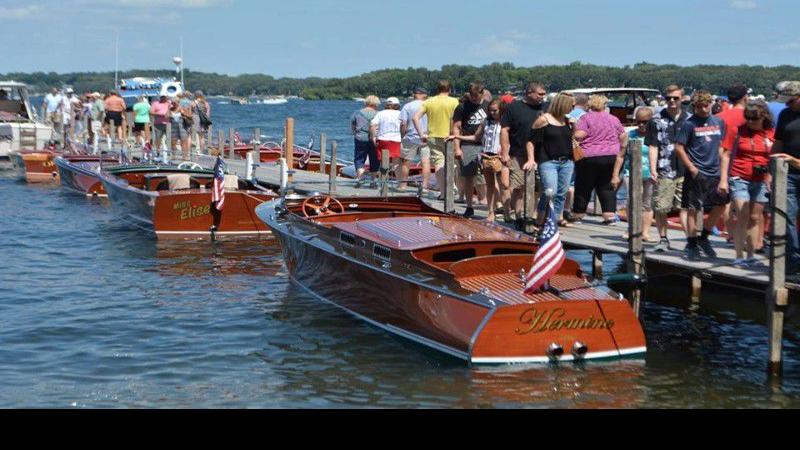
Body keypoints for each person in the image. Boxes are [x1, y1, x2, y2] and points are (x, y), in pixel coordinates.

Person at [674, 90, 729, 261]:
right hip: (697, 172)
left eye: (706, 105)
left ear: (711, 103)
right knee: (693, 209)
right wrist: (691, 168)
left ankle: (704, 236)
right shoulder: (689, 124)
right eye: (699, 106)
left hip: (715, 171)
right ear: (694, 107)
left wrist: (724, 175)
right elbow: (679, 148)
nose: (704, 109)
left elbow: (722, 148)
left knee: (721, 204)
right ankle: (691, 243)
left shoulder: (719, 122)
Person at [723, 101, 774, 267]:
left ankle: (751, 255)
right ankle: (739, 255)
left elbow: (776, 154)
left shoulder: (771, 132)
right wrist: (724, 179)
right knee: (743, 215)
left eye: (755, 118)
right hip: (739, 177)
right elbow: (726, 154)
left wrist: (771, 175)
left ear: (763, 117)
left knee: (755, 217)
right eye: (748, 118)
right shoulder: (738, 131)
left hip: (761, 179)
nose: (751, 122)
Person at [646, 84, 692, 252]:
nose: (672, 101)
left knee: (686, 207)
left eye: (676, 98)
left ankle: (690, 241)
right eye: (668, 98)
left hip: (685, 169)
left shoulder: (690, 120)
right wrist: (652, 168)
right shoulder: (656, 120)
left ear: (682, 99)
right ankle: (663, 239)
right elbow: (653, 146)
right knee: (661, 206)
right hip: (664, 169)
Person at [570, 94, 627, 224]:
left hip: (589, 156)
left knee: (584, 186)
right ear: (604, 105)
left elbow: (579, 135)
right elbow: (623, 136)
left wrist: (572, 130)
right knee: (607, 187)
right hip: (611, 156)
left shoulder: (585, 118)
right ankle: (609, 216)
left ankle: (578, 215)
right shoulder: (613, 119)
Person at [500, 82, 546, 229]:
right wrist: (505, 153)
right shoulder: (514, 107)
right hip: (518, 153)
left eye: (544, 93)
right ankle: (518, 215)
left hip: (541, 155)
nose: (543, 97)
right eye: (540, 94)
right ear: (529, 93)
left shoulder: (546, 107)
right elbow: (505, 130)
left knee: (538, 188)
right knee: (519, 187)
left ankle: (532, 215)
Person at [526, 92, 575, 227]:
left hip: (567, 161)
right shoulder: (543, 120)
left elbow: (571, 140)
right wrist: (531, 159)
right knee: (550, 191)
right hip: (549, 161)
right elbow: (530, 141)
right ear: (563, 104)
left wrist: (574, 128)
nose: (573, 108)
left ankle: (553, 222)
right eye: (571, 105)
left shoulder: (567, 121)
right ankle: (540, 217)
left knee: (562, 193)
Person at [612, 107, 658, 241]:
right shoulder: (629, 135)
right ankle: (631, 228)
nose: (641, 125)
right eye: (638, 121)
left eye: (645, 121)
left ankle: (645, 232)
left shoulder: (655, 136)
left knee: (648, 203)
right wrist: (615, 175)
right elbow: (620, 156)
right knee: (631, 200)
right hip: (631, 172)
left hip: (650, 174)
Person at [769, 81, 800, 274]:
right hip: (787, 173)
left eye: (792, 101)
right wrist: (770, 169)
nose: (787, 105)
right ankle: (794, 261)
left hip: (794, 165)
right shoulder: (785, 114)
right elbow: (778, 142)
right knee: (786, 216)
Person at [413, 80, 460, 203]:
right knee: (453, 163)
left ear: (437, 89)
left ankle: (443, 193)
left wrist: (421, 134)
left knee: (438, 163)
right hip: (450, 136)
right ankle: (453, 186)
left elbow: (415, 117)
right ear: (449, 90)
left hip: (433, 136)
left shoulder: (429, 102)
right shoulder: (455, 102)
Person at [716, 84, 749, 240]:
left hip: (719, 159)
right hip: (740, 162)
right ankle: (746, 236)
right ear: (745, 98)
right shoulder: (748, 117)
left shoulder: (719, 117)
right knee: (742, 201)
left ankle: (729, 233)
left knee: (726, 200)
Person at [451, 82, 489, 217]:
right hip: (467, 142)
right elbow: (456, 127)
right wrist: (457, 148)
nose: (473, 98)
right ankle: (469, 206)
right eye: (471, 95)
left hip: (486, 143)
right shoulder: (462, 107)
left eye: (476, 95)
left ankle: (492, 206)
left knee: (489, 176)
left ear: (482, 93)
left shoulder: (488, 105)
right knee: (468, 176)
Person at [399, 87, 430, 192]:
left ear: (414, 94)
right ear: (423, 95)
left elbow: (403, 123)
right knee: (425, 162)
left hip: (410, 137)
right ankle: (425, 186)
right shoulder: (429, 105)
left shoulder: (407, 106)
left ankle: (403, 185)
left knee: (406, 162)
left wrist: (402, 135)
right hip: (426, 137)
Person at [370, 97, 403, 181]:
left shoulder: (381, 113)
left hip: (382, 140)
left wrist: (373, 137)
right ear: (397, 105)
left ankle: (383, 182)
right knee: (396, 163)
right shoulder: (400, 113)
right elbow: (404, 125)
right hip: (396, 140)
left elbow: (372, 125)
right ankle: (399, 182)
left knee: (384, 162)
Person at [351, 95, 380, 186]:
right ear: (375, 103)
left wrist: (355, 133)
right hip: (375, 139)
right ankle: (373, 181)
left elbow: (353, 125)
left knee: (359, 158)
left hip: (360, 138)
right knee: (374, 159)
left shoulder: (357, 113)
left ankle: (360, 178)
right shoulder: (378, 114)